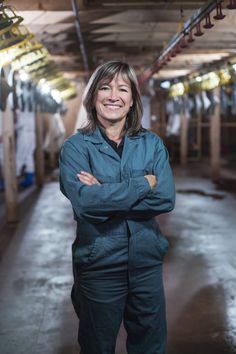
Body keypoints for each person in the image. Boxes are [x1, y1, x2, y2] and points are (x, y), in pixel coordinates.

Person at [59, 60, 175, 354]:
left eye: (123, 89)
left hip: (146, 261)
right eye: (105, 87)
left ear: (133, 99)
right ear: (92, 96)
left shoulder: (151, 143)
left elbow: (165, 198)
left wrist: (105, 193)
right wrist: (141, 184)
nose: (114, 96)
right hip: (99, 264)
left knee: (150, 345)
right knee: (98, 345)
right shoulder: (76, 148)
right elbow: (85, 204)